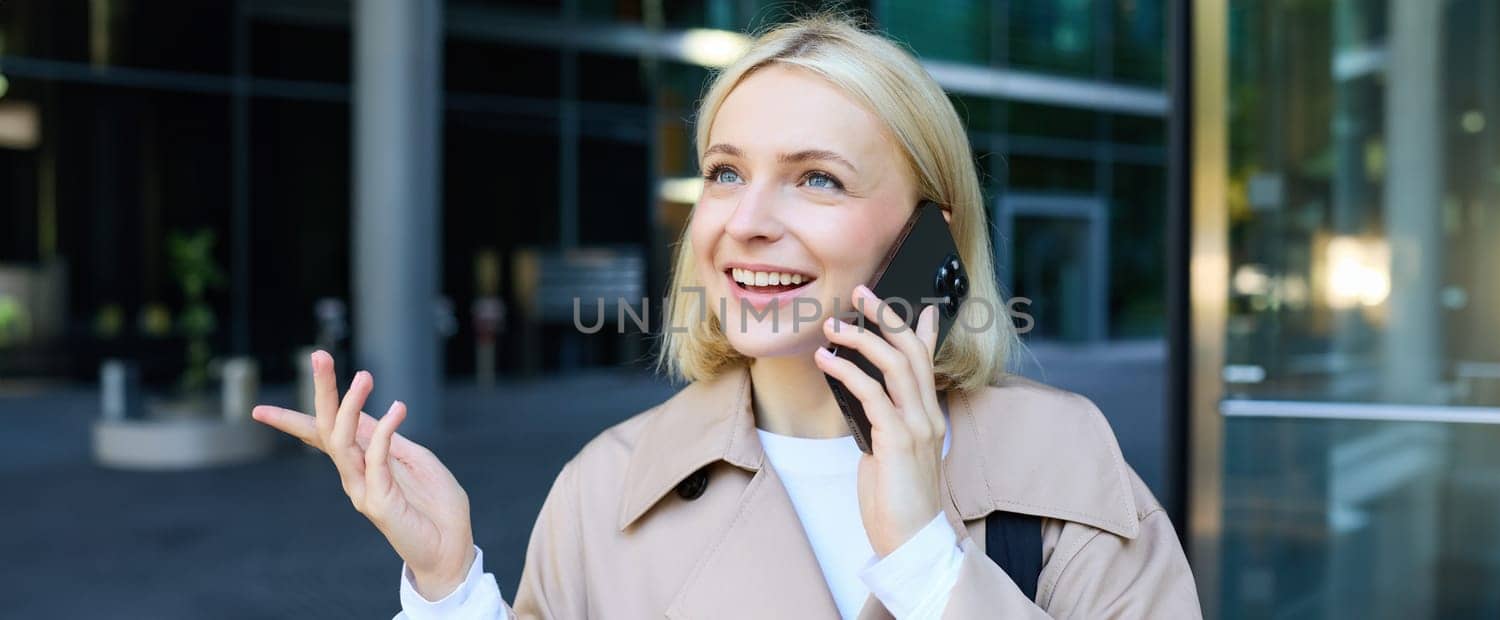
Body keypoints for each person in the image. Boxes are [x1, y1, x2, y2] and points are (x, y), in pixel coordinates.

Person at [251, 13, 1200, 619]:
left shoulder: (1062, 462)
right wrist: (450, 584)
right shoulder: (607, 488)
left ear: (930, 237)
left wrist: (925, 560)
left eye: (815, 179)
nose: (747, 223)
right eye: (725, 173)